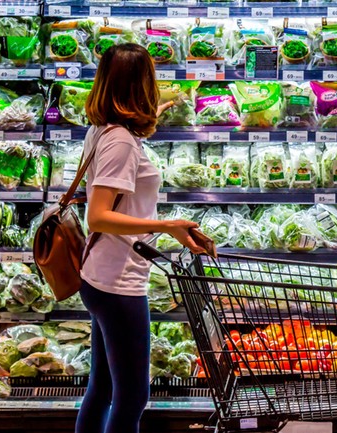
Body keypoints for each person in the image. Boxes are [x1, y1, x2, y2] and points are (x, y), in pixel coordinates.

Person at [75, 43, 205, 433]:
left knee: (101, 388)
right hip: (118, 284)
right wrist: (166, 226)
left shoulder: (106, 128)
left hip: (100, 276)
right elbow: (97, 215)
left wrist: (162, 108)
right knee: (132, 396)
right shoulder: (120, 142)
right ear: (140, 85)